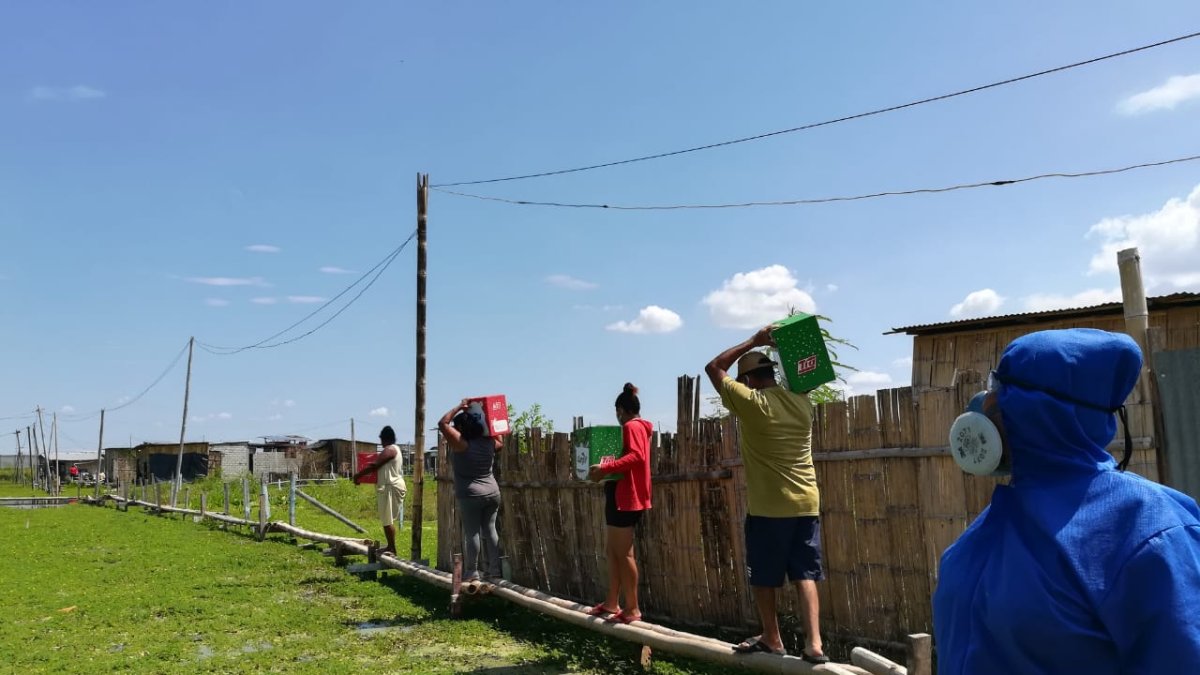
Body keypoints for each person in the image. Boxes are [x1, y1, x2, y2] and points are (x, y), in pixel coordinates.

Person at [934, 328, 1200, 674]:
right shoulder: (992, 524)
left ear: (1044, 409)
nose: (986, 401)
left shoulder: (1148, 528)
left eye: (1000, 388)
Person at [706, 326, 827, 663]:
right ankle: (814, 644)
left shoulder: (752, 403)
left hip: (769, 508)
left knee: (764, 575)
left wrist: (754, 341)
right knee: (806, 573)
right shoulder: (803, 403)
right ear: (772, 373)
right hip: (807, 503)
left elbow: (714, 368)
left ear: (747, 381)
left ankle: (772, 638)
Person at [586, 383, 653, 625]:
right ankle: (612, 602)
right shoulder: (638, 427)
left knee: (624, 554)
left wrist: (605, 468)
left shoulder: (632, 426)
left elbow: (637, 456)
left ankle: (633, 608)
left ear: (621, 410)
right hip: (622, 494)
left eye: (617, 411)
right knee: (613, 552)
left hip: (626, 497)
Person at [439, 399, 504, 582]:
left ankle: (472, 572)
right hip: (492, 492)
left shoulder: (461, 444)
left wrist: (459, 406)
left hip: (470, 495)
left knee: (472, 533)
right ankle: (495, 571)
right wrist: (491, 415)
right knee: (491, 531)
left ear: (460, 427)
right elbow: (500, 437)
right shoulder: (489, 443)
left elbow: (442, 423)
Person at [352, 425, 407, 557]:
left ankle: (392, 548)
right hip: (389, 486)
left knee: (387, 519)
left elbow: (375, 465)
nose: (381, 443)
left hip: (390, 486)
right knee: (386, 519)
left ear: (385, 438)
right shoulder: (395, 449)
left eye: (381, 439)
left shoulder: (390, 449)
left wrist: (358, 476)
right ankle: (390, 546)